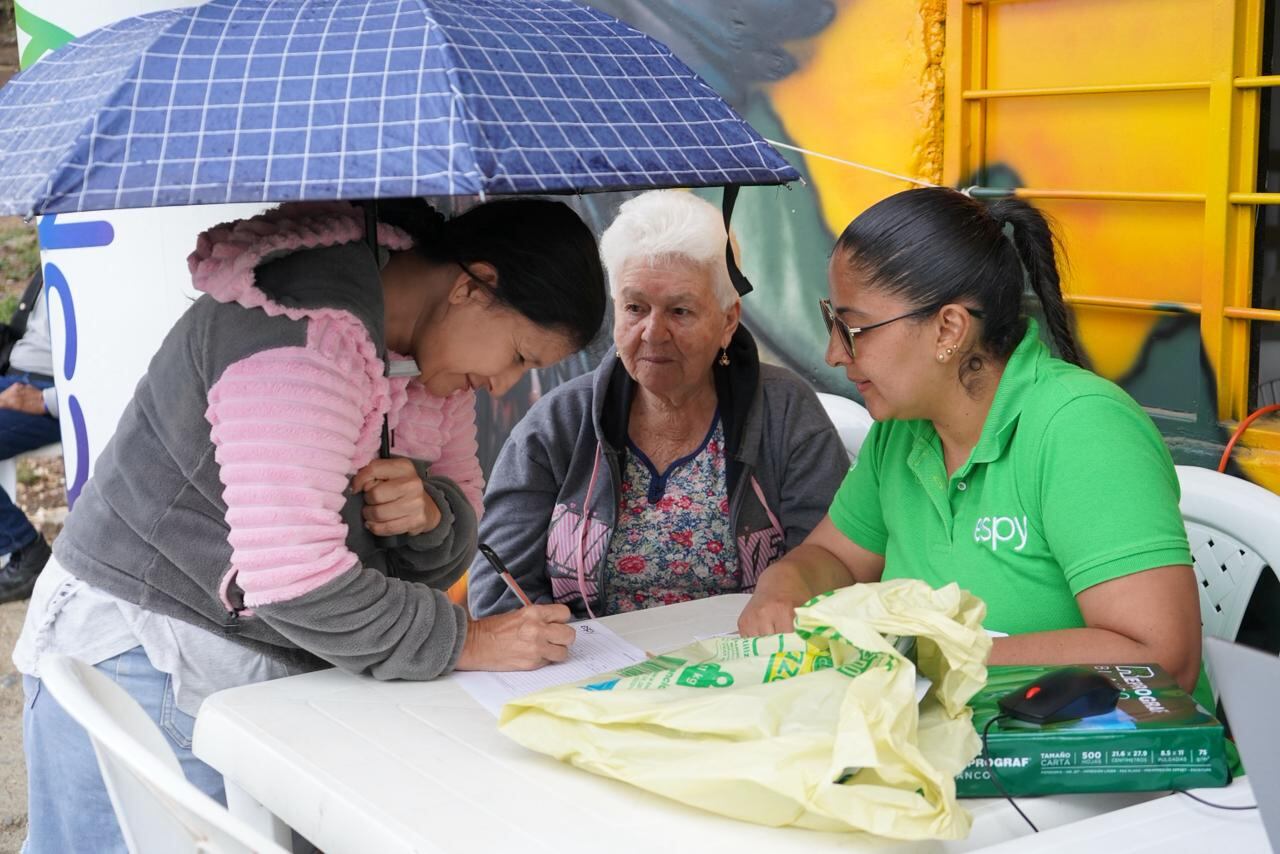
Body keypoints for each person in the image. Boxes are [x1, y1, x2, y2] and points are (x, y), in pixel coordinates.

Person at [13, 198, 606, 853]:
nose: (502, 385)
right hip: (151, 652)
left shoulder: (429, 361)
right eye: (518, 356)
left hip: (270, 658)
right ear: (473, 286)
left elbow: (456, 531)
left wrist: (428, 516)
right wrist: (467, 639)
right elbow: (295, 583)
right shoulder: (299, 335)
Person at [738, 186, 1205, 699]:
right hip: (937, 731)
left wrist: (929, 661)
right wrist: (781, 587)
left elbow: (1163, 659)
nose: (833, 353)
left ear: (949, 330)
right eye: (832, 323)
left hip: (1089, 741)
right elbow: (836, 557)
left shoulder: (1082, 427)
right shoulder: (903, 428)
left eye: (853, 329)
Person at [469, 190, 848, 619]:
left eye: (680, 311)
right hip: (587, 655)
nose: (652, 332)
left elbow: (829, 570)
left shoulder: (785, 412)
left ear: (728, 320)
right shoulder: (557, 424)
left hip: (745, 653)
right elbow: (499, 595)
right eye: (635, 307)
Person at [0, 272, 60, 603]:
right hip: (13, 377)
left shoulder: (97, 261)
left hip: (44, 392)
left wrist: (46, 400)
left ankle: (27, 552)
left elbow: (109, 370)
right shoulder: (48, 260)